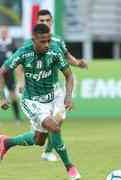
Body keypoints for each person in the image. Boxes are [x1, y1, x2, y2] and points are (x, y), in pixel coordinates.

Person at [0, 24, 81, 180]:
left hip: (53, 96)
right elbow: (1, 73)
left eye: (48, 40)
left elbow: (69, 75)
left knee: (39, 140)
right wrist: (2, 96)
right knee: (54, 127)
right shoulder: (23, 52)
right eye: (43, 42)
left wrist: (68, 96)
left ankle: (6, 142)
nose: (47, 44)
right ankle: (70, 166)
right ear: (34, 40)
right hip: (32, 100)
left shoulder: (55, 51)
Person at [33, 9, 88, 162]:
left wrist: (78, 63)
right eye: (41, 21)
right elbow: (20, 64)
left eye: (47, 20)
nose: (44, 23)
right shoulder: (32, 42)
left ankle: (48, 151)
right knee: (41, 134)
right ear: (37, 22)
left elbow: (66, 56)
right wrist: (23, 82)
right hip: (36, 91)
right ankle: (9, 142)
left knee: (59, 119)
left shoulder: (57, 40)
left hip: (54, 88)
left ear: (51, 22)